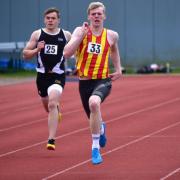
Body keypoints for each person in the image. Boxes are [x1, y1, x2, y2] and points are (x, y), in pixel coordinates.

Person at [63, 2, 122, 164]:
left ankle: (95, 148)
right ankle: (101, 128)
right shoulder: (79, 31)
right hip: (84, 83)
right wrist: (81, 36)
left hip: (103, 80)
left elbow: (114, 49)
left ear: (104, 16)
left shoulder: (111, 35)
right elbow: (67, 53)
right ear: (89, 16)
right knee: (93, 116)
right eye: (93, 14)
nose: (96, 16)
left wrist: (118, 69)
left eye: (99, 14)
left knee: (94, 103)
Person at [23, 7, 71, 150]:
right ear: (45, 19)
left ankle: (51, 140)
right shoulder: (37, 34)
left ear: (58, 20)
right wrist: (37, 49)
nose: (50, 20)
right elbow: (25, 54)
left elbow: (78, 46)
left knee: (52, 103)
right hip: (42, 77)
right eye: (48, 18)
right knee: (48, 106)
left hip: (58, 75)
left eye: (53, 18)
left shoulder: (66, 35)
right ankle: (56, 111)